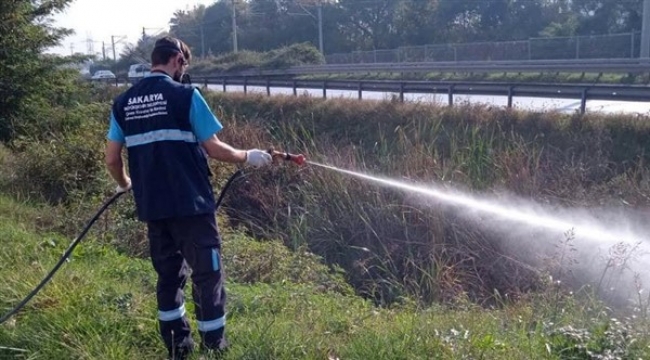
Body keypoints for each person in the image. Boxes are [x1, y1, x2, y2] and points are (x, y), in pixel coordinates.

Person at [104, 36, 272, 359]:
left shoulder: (123, 103)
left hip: (153, 208)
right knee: (207, 274)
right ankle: (214, 349)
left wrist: (125, 183)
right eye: (185, 65)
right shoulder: (186, 96)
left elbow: (112, 159)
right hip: (191, 206)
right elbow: (214, 148)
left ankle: (177, 348)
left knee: (168, 276)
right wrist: (248, 156)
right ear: (178, 61)